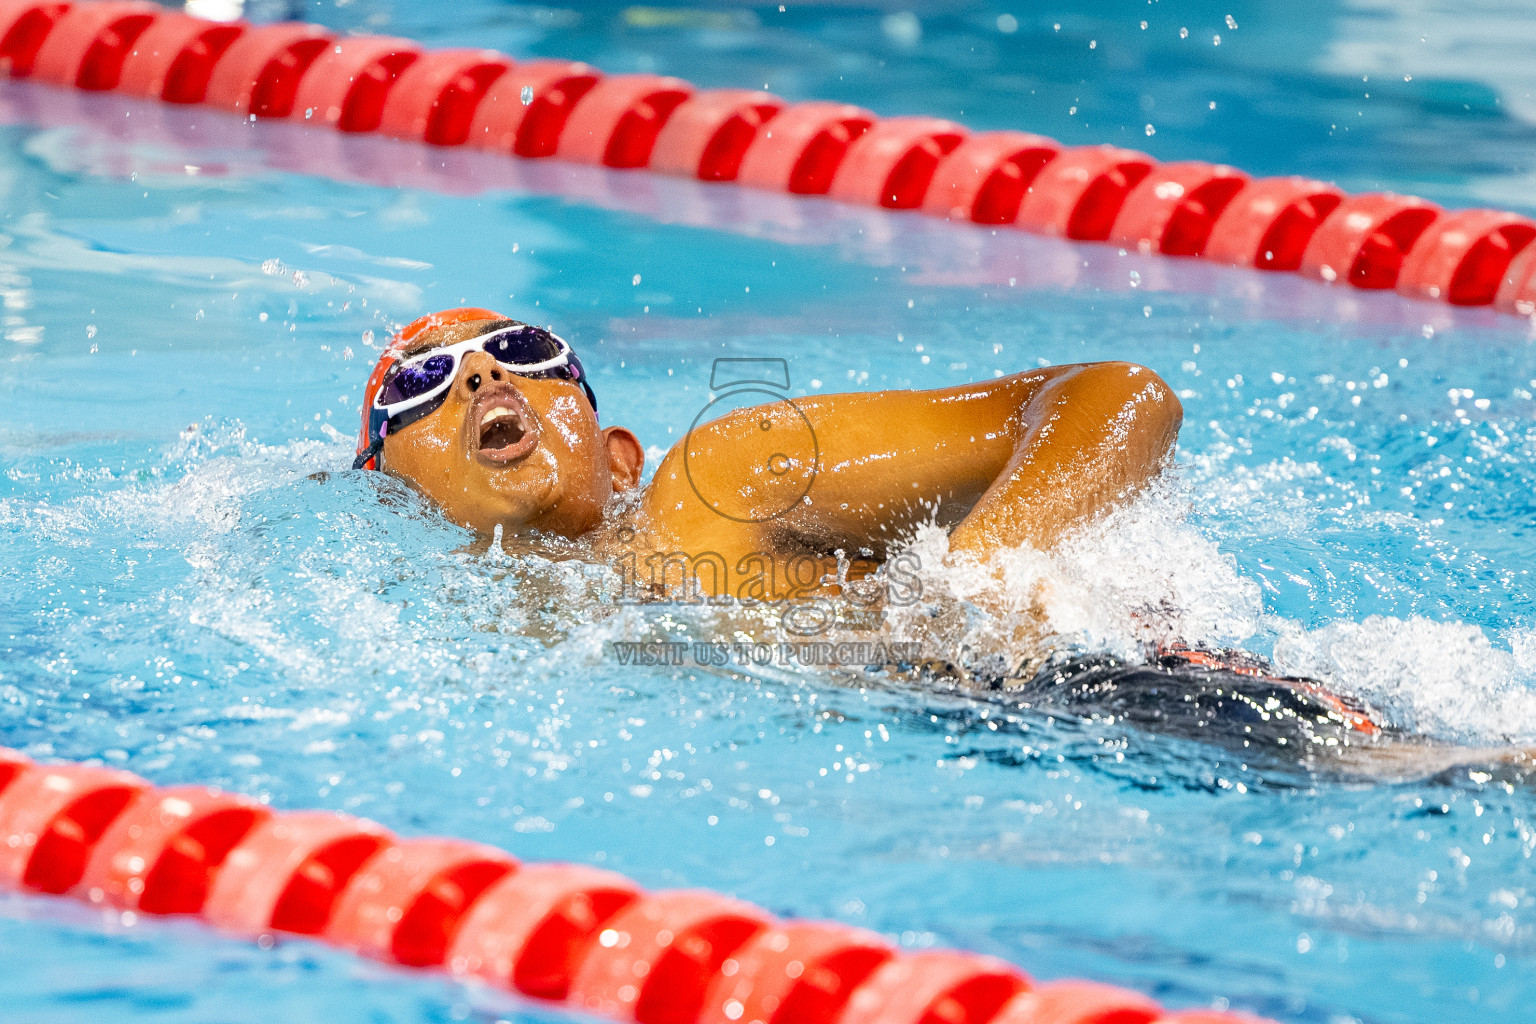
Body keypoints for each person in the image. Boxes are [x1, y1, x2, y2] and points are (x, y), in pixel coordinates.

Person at [355, 307, 1183, 601]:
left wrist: (988, 574)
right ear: (390, 497)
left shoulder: (713, 486)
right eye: (420, 381)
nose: (486, 371)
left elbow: (1118, 396)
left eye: (525, 347)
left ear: (618, 461)